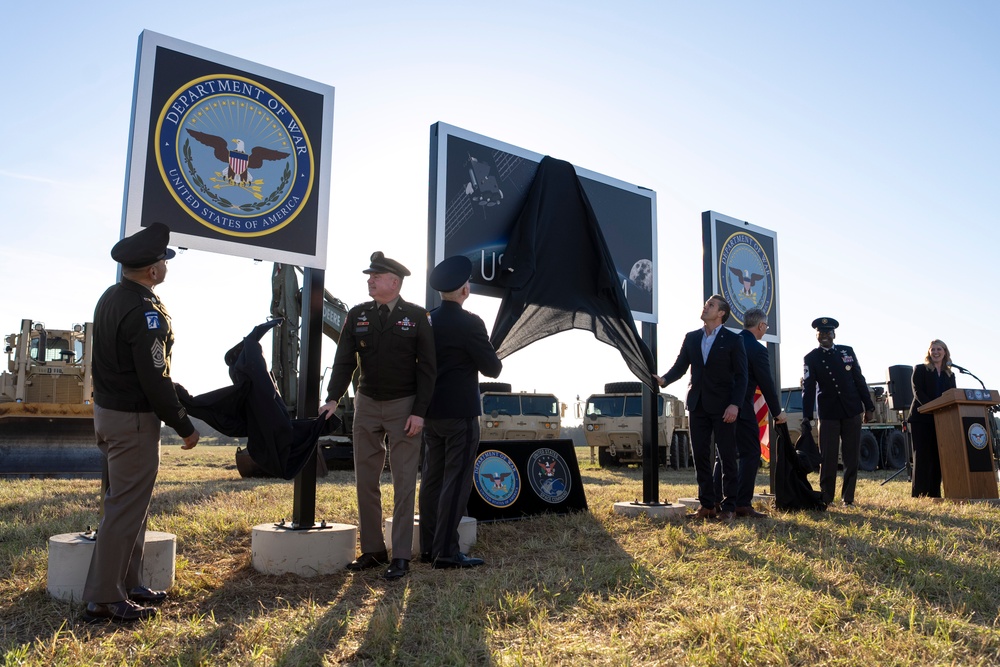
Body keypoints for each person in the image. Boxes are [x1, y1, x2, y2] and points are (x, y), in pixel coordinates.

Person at [83, 223, 200, 623]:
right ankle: (104, 598)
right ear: (152, 270)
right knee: (123, 510)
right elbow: (154, 377)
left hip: (109, 414)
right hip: (132, 420)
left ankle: (128, 583)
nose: (166, 266)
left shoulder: (112, 297)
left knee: (130, 506)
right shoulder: (146, 312)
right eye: (164, 261)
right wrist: (184, 424)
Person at [319, 252, 436, 580]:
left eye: (376, 276)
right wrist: (332, 398)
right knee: (366, 481)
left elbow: (428, 369)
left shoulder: (417, 317)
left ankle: (400, 556)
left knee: (403, 482)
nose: (370, 280)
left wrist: (419, 412)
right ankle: (373, 550)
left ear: (394, 282)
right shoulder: (358, 315)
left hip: (404, 406)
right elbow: (344, 360)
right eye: (370, 276)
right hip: (367, 404)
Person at [419, 256, 502, 569]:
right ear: (465, 290)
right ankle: (446, 552)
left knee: (432, 480)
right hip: (460, 415)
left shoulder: (426, 319)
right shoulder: (470, 323)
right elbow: (493, 368)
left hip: (430, 413)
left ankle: (428, 548)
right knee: (456, 482)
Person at [656, 295, 747, 521]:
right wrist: (664, 380)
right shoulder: (692, 337)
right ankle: (707, 505)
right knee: (700, 456)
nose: (705, 307)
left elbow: (741, 376)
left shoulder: (734, 340)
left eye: (711, 305)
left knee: (727, 456)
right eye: (706, 304)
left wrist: (735, 405)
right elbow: (680, 366)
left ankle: (729, 506)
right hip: (697, 405)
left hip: (724, 408)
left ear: (721, 313)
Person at [713, 308, 787, 518]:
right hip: (742, 409)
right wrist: (777, 412)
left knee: (724, 455)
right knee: (751, 453)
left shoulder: (727, 343)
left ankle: (716, 499)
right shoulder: (756, 349)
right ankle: (741, 503)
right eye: (766, 327)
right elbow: (766, 383)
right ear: (761, 326)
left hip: (720, 408)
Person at [802, 317, 875, 507]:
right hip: (829, 413)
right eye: (821, 333)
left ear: (834, 334)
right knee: (828, 457)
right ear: (816, 335)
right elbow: (808, 388)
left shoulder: (846, 352)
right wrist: (807, 416)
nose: (824, 336)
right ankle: (826, 498)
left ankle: (848, 498)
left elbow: (859, 379)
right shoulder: (811, 358)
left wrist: (869, 407)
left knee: (851, 456)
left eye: (828, 332)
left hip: (851, 410)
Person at [908, 340, 956, 498]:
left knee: (937, 456)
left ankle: (934, 493)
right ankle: (919, 493)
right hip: (921, 418)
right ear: (929, 352)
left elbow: (953, 395)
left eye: (939, 349)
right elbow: (918, 391)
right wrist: (933, 408)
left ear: (945, 352)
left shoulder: (950, 374)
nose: (936, 352)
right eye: (933, 349)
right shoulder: (920, 369)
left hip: (942, 419)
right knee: (922, 456)